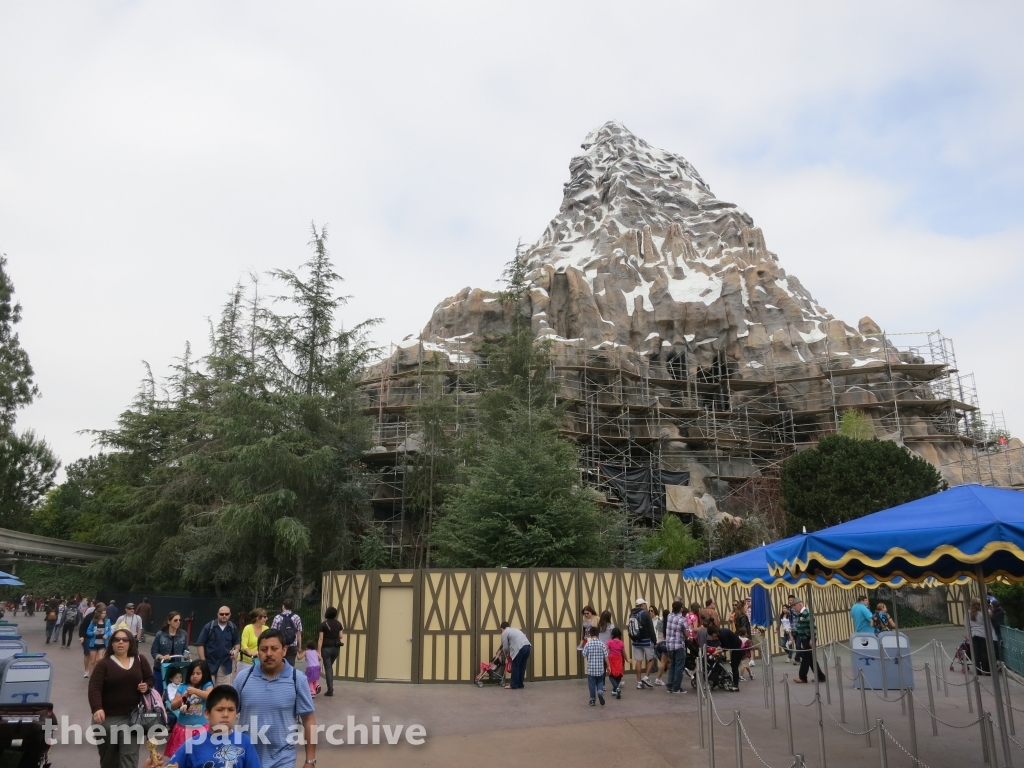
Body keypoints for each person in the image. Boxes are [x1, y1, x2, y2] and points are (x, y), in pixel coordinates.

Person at [231, 628, 316, 768]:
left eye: (274, 648)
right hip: (247, 758)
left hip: (283, 759)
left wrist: (310, 761)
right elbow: (227, 714)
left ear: (284, 650)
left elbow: (309, 720)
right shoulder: (243, 678)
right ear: (258, 651)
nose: (268, 653)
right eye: (263, 649)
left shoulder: (297, 679)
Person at [142, 685, 262, 768]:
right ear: (207, 713)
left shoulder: (245, 743)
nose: (225, 714)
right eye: (220, 710)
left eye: (231, 710)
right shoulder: (191, 745)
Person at [88, 627, 157, 768]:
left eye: (125, 639)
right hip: (107, 719)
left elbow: (150, 678)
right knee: (109, 761)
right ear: (112, 643)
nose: (121, 642)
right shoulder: (104, 664)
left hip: (133, 718)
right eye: (117, 639)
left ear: (130, 643)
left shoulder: (140, 659)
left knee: (129, 758)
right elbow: (94, 687)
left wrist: (146, 686)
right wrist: (97, 708)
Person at [166, 660, 214, 755]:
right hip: (182, 728)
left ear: (204, 674)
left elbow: (210, 695)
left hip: (200, 729)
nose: (194, 676)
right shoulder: (182, 687)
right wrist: (185, 695)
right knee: (180, 756)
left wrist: (195, 691)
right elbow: (173, 706)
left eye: (198, 673)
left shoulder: (206, 685)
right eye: (192, 673)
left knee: (199, 756)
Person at [198, 606, 241, 686]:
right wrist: (203, 662)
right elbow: (200, 644)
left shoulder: (232, 628)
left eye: (226, 614)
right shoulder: (209, 627)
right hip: (210, 663)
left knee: (223, 691)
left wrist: (236, 650)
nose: (224, 616)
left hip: (225, 664)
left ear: (230, 615)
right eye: (221, 614)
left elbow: (237, 642)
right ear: (218, 614)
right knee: (208, 689)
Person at [152, 611, 190, 692]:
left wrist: (187, 655)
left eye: (180, 620)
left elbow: (186, 650)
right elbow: (154, 652)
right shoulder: (160, 634)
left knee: (175, 692)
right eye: (175, 620)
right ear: (169, 621)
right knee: (159, 691)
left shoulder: (183, 634)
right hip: (161, 668)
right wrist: (161, 657)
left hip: (175, 669)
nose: (178, 622)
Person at [628, 597, 658, 689]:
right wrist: (654, 641)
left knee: (639, 661)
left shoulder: (631, 614)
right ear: (642, 605)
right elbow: (651, 628)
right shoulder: (645, 613)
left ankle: (639, 682)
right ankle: (646, 677)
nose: (646, 605)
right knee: (651, 659)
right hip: (646, 640)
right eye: (645, 604)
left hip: (636, 641)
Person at [793, 600, 826, 684]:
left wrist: (812, 638)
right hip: (804, 638)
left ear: (800, 605)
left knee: (805, 658)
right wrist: (794, 635)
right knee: (811, 659)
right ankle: (821, 677)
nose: (794, 608)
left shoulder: (806, 613)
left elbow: (813, 627)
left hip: (808, 638)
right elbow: (799, 626)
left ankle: (802, 677)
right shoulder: (801, 614)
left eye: (795, 606)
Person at [316, 607, 344, 698]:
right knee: (329, 667)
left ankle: (330, 690)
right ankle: (330, 687)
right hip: (336, 649)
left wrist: (318, 651)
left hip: (326, 648)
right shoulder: (339, 624)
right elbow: (341, 636)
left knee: (328, 668)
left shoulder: (323, 624)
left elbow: (320, 639)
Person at [708, 625, 743, 690]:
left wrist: (717, 652)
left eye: (711, 635)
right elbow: (724, 644)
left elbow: (727, 647)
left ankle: (736, 686)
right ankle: (734, 683)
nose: (712, 637)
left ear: (714, 633)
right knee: (733, 665)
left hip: (738, 648)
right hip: (734, 647)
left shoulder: (722, 634)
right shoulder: (720, 633)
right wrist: (719, 647)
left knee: (734, 666)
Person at [499, 621, 532, 690]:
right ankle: (520, 684)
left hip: (519, 649)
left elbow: (505, 647)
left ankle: (513, 685)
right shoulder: (515, 630)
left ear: (502, 628)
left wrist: (505, 656)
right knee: (522, 667)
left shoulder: (505, 632)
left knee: (515, 666)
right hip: (528, 647)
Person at [581, 626, 608, 706]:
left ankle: (592, 700)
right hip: (600, 668)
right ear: (598, 634)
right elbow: (606, 656)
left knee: (591, 684)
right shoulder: (602, 644)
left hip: (591, 669)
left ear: (590, 634)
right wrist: (609, 666)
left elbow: (584, 654)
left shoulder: (588, 644)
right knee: (600, 681)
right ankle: (600, 691)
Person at [270, 601, 303, 666]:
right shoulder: (297, 617)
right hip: (292, 645)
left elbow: (273, 632)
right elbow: (299, 633)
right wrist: (299, 647)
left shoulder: (277, 617)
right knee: (290, 666)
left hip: (280, 644)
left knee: (279, 664)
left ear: (283, 606)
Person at [665, 600, 687, 694]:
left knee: (672, 665)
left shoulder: (669, 616)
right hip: (678, 645)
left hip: (669, 645)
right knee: (679, 666)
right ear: (681, 608)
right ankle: (676, 687)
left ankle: (670, 686)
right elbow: (686, 633)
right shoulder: (682, 619)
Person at [86, 605, 112, 677]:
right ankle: (91, 676)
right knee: (92, 661)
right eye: (102, 613)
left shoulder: (107, 621)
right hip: (94, 643)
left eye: (104, 613)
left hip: (103, 643)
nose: (103, 615)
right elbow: (88, 631)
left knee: (100, 659)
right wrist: (93, 633)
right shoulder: (93, 622)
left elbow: (110, 630)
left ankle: (98, 675)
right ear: (98, 613)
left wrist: (106, 635)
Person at [969, 598, 993, 675]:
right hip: (983, 634)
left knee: (975, 653)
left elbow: (966, 624)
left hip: (973, 634)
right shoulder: (983, 613)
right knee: (984, 653)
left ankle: (977, 670)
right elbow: (988, 622)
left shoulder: (968, 613)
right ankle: (986, 670)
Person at [607, 627, 627, 699]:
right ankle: (615, 690)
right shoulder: (621, 643)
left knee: (611, 674)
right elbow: (624, 653)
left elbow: (605, 650)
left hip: (611, 659)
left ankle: (616, 687)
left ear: (612, 634)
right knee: (619, 674)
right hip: (619, 659)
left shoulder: (610, 642)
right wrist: (627, 659)